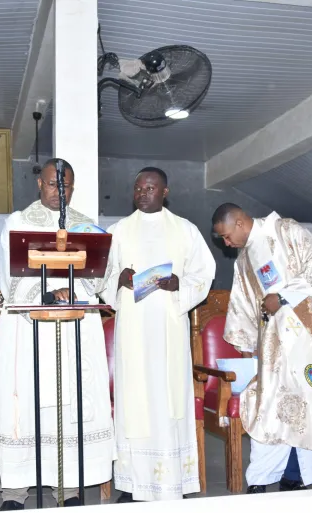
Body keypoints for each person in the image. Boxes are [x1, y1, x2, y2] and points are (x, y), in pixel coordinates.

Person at [0, 158, 115, 510]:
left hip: (75, 326)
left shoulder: (86, 227)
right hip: (27, 328)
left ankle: (68, 490)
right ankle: (15, 492)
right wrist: (47, 294)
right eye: (52, 184)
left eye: (65, 185)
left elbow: (99, 278)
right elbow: (10, 276)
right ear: (39, 184)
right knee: (25, 406)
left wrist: (73, 292)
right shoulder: (18, 222)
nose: (58, 191)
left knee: (70, 407)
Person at [212, 203, 312, 493]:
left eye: (225, 236)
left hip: (306, 339)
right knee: (272, 409)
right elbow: (242, 306)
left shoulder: (286, 230)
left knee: (309, 409)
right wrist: (247, 345)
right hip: (273, 348)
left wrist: (282, 296)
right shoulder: (242, 260)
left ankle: (294, 476)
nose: (226, 243)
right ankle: (261, 479)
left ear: (238, 222)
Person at [100, 167, 216, 502]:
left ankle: (169, 481)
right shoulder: (119, 231)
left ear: (165, 192)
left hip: (168, 330)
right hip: (132, 332)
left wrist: (181, 284)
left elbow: (203, 273)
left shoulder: (185, 230)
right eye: (138, 188)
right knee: (133, 400)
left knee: (166, 401)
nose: (142, 193)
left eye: (150, 188)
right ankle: (131, 483)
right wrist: (117, 279)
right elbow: (100, 276)